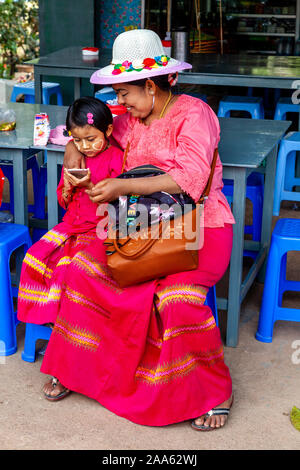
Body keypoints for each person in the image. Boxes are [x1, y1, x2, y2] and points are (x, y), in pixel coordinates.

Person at [37, 29, 235, 430]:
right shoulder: (130, 117)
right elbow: (73, 132)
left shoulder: (195, 114)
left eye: (125, 93)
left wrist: (124, 185)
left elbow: (191, 178)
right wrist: (75, 150)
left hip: (198, 228)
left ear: (149, 85)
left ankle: (215, 391)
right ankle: (79, 371)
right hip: (138, 226)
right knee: (81, 270)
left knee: (176, 300)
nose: (119, 101)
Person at [17, 96, 123, 341]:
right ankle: (50, 319)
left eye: (91, 139)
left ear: (108, 130)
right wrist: (67, 189)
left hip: (100, 228)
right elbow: (64, 201)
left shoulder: (116, 159)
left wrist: (89, 185)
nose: (84, 146)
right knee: (34, 257)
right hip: (71, 225)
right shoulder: (77, 157)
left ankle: (66, 324)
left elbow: (117, 205)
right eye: (77, 140)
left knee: (70, 268)